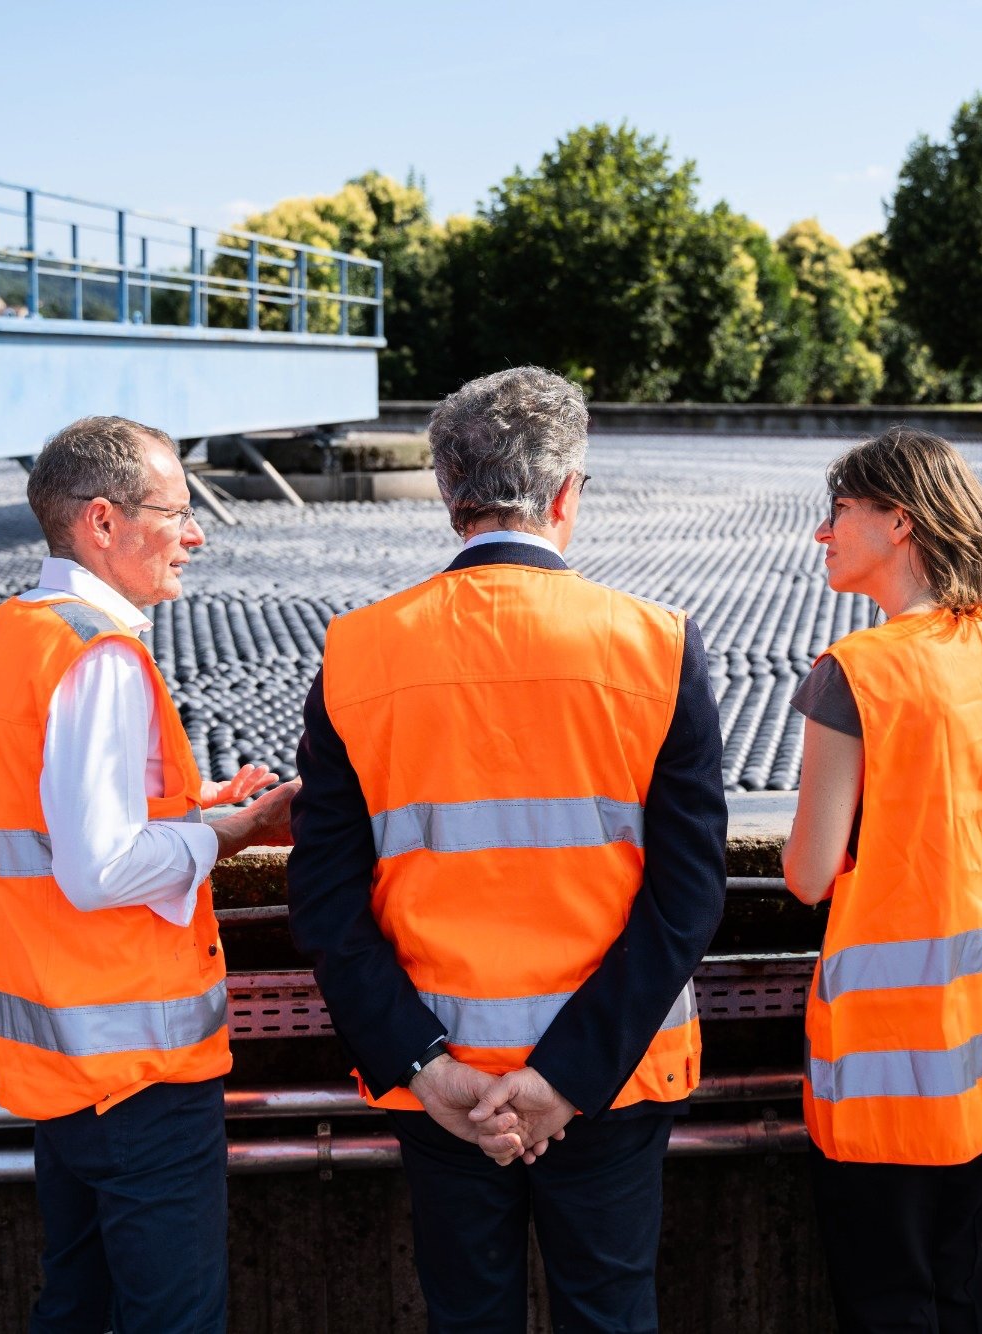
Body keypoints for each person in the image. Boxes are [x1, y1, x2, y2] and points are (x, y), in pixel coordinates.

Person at [286, 366, 728, 1334]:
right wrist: (564, 1076)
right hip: (611, 1078)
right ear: (567, 493)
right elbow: (687, 899)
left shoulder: (355, 654)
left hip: (442, 1086)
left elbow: (323, 899)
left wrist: (429, 1068)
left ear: (451, 498)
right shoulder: (657, 647)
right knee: (609, 1314)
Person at [0, 416, 298, 1334]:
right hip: (140, 1075)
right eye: (176, 512)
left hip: (57, 1069)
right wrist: (233, 832)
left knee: (78, 1308)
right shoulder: (101, 657)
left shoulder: (0, 643)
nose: (196, 532)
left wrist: (189, 801)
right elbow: (98, 870)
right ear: (103, 522)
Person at [781, 427, 982, 1334]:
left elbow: (805, 873)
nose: (822, 532)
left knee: (886, 1299)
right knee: (956, 1284)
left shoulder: (856, 675)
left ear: (898, 523)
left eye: (839, 510)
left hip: (886, 1067)